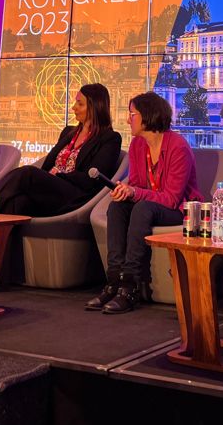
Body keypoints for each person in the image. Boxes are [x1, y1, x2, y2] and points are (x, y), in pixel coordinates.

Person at [85, 91, 202, 314]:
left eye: (132, 114)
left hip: (179, 210)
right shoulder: (138, 145)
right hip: (150, 206)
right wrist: (125, 192)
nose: (128, 119)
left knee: (142, 208)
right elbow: (138, 184)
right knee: (117, 206)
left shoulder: (178, 147)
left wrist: (135, 193)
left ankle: (130, 285)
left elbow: (171, 198)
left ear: (147, 116)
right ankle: (114, 281)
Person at [0, 83, 122, 216]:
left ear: (95, 107)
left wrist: (59, 175)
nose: (74, 108)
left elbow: (91, 179)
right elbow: (48, 165)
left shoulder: (110, 139)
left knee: (27, 173)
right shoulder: (68, 132)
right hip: (51, 192)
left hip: (76, 195)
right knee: (18, 202)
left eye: (80, 104)